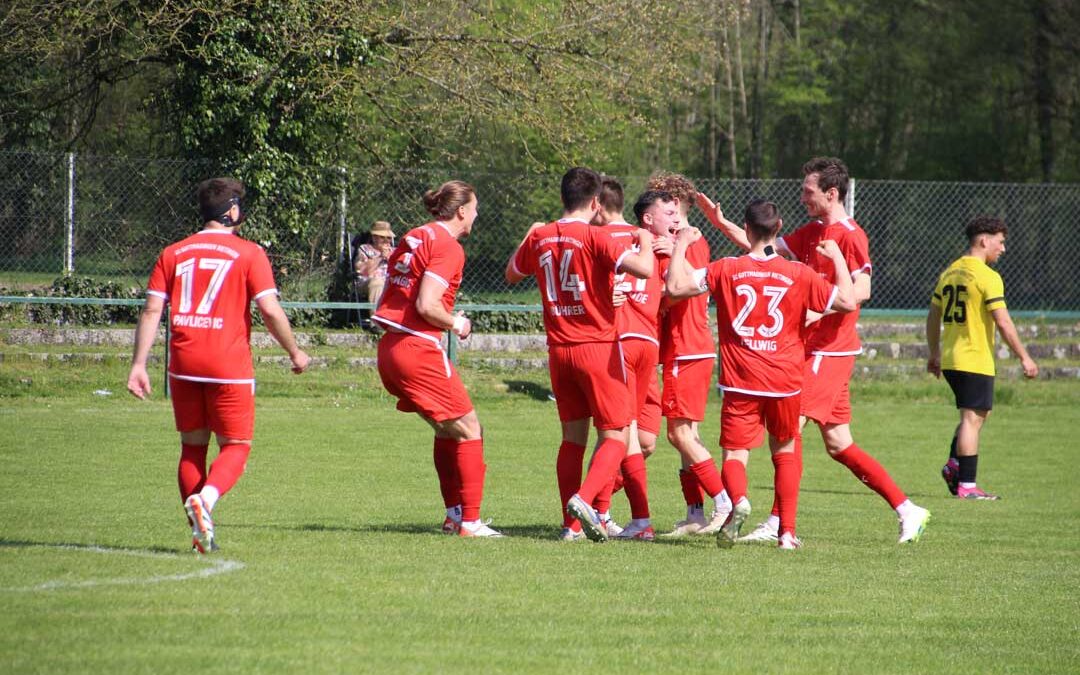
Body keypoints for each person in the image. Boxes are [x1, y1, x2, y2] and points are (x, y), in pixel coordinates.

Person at [698, 156, 930, 544]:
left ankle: (778, 524)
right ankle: (908, 509)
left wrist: (815, 312)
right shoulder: (811, 231)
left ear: (831, 193)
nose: (802, 196)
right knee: (839, 444)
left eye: (808, 191)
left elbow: (861, 292)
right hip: (815, 348)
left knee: (791, 431)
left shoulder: (850, 236)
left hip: (830, 350)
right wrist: (721, 223)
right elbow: (762, 249)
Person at [127, 177, 311, 554]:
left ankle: (199, 533)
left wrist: (139, 364)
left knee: (192, 449)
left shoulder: (173, 252)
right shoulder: (249, 254)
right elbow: (270, 310)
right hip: (228, 366)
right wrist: (295, 352)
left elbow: (151, 310)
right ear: (233, 211)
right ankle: (205, 503)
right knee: (237, 446)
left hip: (183, 364)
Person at [665, 201, 857, 550]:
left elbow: (675, 288)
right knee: (784, 450)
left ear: (747, 228)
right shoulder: (798, 272)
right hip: (785, 380)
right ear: (779, 226)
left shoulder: (725, 268)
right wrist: (838, 260)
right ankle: (787, 533)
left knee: (736, 456)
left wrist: (681, 245)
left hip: (740, 381)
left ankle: (738, 501)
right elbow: (846, 300)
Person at [505, 166, 656, 543]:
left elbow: (511, 273)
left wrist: (528, 235)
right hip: (598, 349)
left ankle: (569, 528)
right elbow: (644, 269)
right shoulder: (594, 236)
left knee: (572, 439)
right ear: (594, 203)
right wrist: (645, 239)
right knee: (617, 435)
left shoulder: (540, 236)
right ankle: (585, 501)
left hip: (559, 351)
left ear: (562, 198)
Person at [372, 180, 503, 537]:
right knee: (471, 429)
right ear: (462, 211)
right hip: (417, 348)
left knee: (448, 429)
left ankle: (455, 514)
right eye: (474, 208)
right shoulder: (448, 245)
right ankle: (471, 522)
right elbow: (426, 304)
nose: (476, 214)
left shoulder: (416, 235)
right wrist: (456, 322)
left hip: (390, 348)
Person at [645, 172, 732, 538]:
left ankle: (724, 502)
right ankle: (695, 512)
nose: (665, 212)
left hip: (689, 347)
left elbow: (683, 290)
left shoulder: (690, 242)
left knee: (679, 435)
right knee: (688, 436)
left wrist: (659, 301)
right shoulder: (674, 241)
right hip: (682, 348)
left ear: (678, 205)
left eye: (667, 204)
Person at [926, 215, 1038, 500]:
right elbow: (1003, 322)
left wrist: (935, 352)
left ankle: (954, 464)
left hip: (952, 358)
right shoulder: (988, 276)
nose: (1003, 249)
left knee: (976, 416)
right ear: (984, 240)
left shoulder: (950, 272)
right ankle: (967, 486)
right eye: (1000, 242)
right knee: (972, 419)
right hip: (974, 358)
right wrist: (1024, 357)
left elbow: (933, 315)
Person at [590, 176, 664, 541]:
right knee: (638, 437)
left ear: (598, 207)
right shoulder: (651, 241)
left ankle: (605, 511)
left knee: (616, 435)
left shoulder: (597, 239)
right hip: (649, 343)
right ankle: (630, 517)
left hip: (617, 341)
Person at [353, 220, 396, 305]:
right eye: (382, 237)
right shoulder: (365, 249)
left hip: (391, 282)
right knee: (378, 283)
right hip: (369, 282)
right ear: (374, 237)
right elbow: (363, 271)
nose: (386, 241)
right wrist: (380, 257)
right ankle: (376, 317)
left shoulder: (395, 251)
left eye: (389, 238)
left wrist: (392, 259)